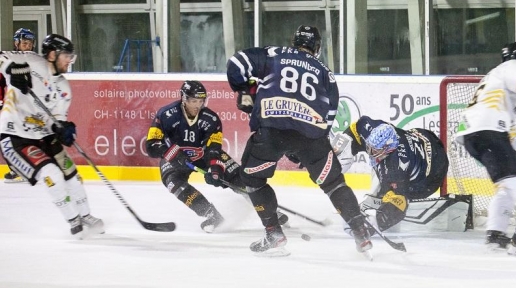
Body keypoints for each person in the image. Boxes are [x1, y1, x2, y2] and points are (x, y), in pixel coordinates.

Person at [227, 25, 374, 256]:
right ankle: (360, 231)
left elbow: (236, 63)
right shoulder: (326, 72)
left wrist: (244, 90)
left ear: (294, 41)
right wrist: (308, 144)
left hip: (271, 132)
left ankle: (274, 232)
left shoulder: (275, 55)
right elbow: (330, 114)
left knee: (253, 180)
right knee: (335, 184)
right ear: (317, 48)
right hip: (311, 137)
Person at [145, 80, 288, 233]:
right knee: (173, 182)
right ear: (184, 98)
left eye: (200, 101)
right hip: (175, 159)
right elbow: (152, 144)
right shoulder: (166, 115)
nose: (197, 105)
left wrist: (215, 168)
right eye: (193, 101)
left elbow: (214, 148)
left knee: (239, 178)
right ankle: (211, 215)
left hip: (203, 156)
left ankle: (268, 210)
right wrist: (173, 154)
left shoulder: (211, 118)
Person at [0, 34, 104, 237]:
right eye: (67, 55)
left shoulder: (64, 87)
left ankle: (85, 215)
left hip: (44, 136)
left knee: (72, 176)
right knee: (52, 175)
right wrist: (11, 71)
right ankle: (74, 220)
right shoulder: (29, 60)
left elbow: (56, 119)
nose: (70, 61)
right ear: (52, 54)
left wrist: (63, 129)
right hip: (15, 137)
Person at [455, 42, 516, 256]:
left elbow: (506, 130)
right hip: (485, 133)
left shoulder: (496, 82)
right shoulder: (512, 67)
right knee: (508, 184)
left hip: (481, 134)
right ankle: (496, 234)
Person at [330, 116, 449, 231]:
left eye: (375, 150)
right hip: (426, 138)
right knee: (371, 160)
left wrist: (377, 222)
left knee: (389, 192)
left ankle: (380, 197)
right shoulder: (372, 129)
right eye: (370, 147)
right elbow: (356, 128)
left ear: (389, 149)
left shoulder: (397, 167)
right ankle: (379, 196)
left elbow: (399, 205)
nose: (370, 152)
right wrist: (334, 157)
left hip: (432, 176)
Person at [2, 28, 37, 183]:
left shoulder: (37, 61)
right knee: (6, 139)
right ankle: (18, 170)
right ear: (16, 43)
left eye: (30, 43)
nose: (27, 46)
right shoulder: (10, 58)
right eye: (24, 43)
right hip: (14, 108)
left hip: (32, 108)